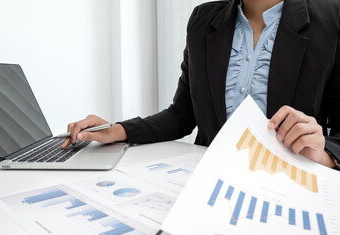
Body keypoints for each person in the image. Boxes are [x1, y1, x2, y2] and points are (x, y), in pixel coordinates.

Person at [62, 0, 340, 170]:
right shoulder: (203, 20)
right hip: (209, 179)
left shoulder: (331, 18)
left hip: (291, 183)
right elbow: (182, 115)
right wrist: (116, 130)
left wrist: (322, 153)